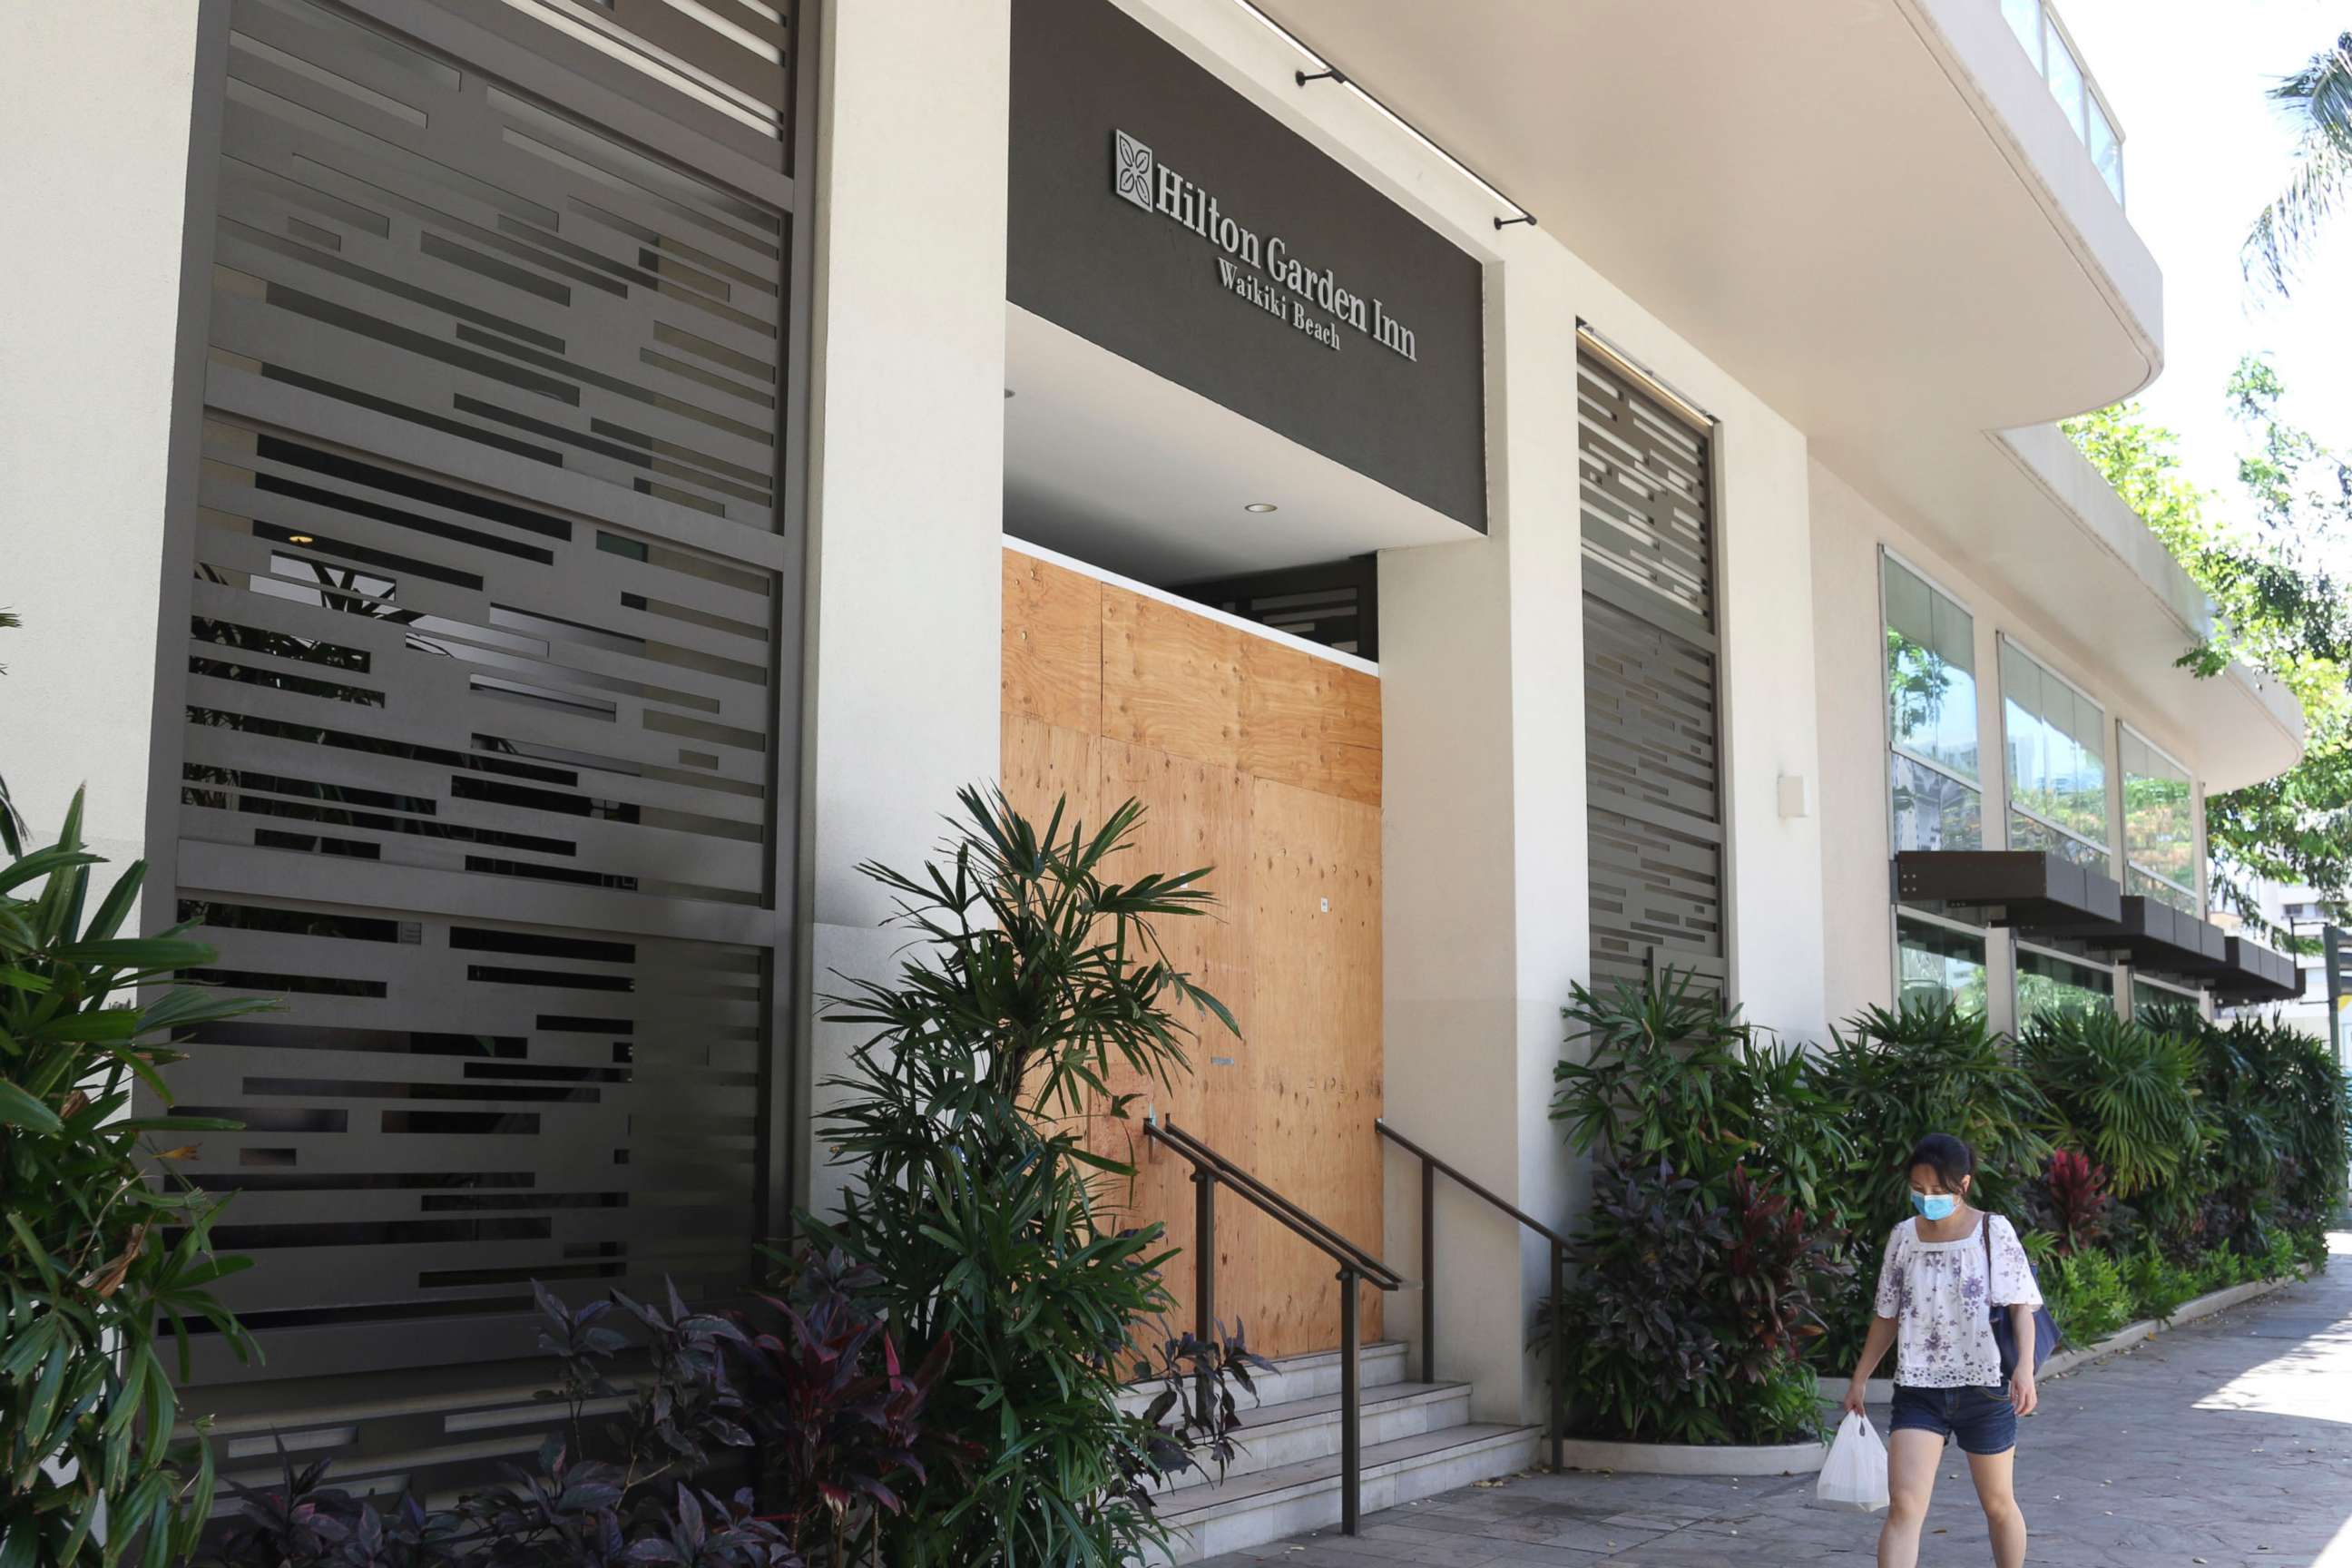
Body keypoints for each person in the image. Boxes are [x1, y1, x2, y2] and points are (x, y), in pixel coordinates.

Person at [1842, 1133, 2042, 1568]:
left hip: (1985, 1389)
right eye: (1918, 1190)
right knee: (1904, 1509)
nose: (1927, 1199)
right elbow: (1887, 1314)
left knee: (1998, 1504)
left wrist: (2024, 1370)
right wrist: (1860, 1377)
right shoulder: (1903, 1238)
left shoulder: (1993, 1231)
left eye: (1938, 1191)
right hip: (1919, 1389)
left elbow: (2020, 1307)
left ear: (1964, 1185)